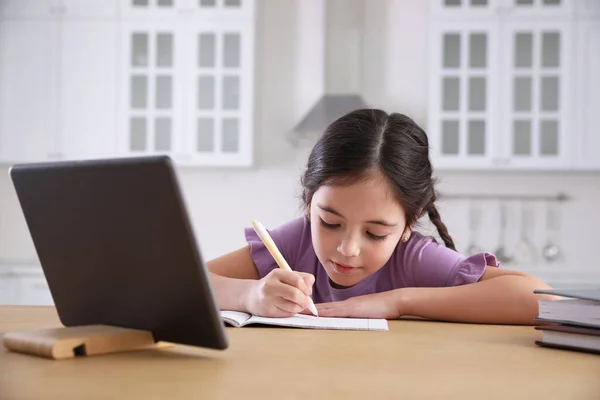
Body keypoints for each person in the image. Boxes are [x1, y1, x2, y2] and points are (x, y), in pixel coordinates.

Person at [208, 109, 555, 324]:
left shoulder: (412, 261)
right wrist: (250, 295)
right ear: (309, 200)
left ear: (407, 225)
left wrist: (397, 302)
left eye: (374, 233)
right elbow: (179, 284)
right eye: (329, 222)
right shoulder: (294, 241)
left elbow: (542, 299)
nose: (347, 249)